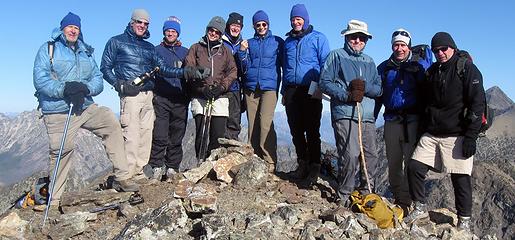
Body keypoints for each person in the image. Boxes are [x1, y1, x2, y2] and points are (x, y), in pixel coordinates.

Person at [33, 12, 139, 207]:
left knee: (110, 123)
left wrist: (85, 88)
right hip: (58, 110)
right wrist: (64, 89)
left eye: (77, 28)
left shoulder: (85, 51)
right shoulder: (49, 49)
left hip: (84, 106)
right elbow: (40, 81)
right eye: (70, 27)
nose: (73, 30)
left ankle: (122, 177)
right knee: (61, 151)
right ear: (63, 28)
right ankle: (54, 201)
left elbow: (98, 79)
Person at [100, 9, 202, 179]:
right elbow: (105, 67)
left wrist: (186, 72)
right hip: (131, 96)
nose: (142, 25)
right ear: (132, 22)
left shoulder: (148, 47)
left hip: (148, 95)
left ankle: (139, 173)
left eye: (145, 23)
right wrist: (119, 84)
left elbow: (163, 69)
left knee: (146, 135)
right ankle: (126, 176)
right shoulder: (116, 42)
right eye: (139, 22)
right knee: (131, 136)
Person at [406, 32, 485, 232]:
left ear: (453, 48)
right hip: (432, 133)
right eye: (436, 50)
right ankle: (420, 206)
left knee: (460, 178)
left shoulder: (467, 69)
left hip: (457, 134)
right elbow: (425, 102)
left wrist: (471, 136)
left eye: (444, 49)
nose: (440, 53)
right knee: (414, 167)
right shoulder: (432, 71)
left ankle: (464, 220)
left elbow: (477, 104)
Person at [319, 19, 382, 206]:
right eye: (354, 37)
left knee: (370, 155)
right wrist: (346, 95)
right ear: (347, 37)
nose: (357, 41)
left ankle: (366, 191)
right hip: (345, 112)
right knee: (350, 153)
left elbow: (379, 89)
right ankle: (345, 193)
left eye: (362, 38)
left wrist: (364, 88)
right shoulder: (335, 56)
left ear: (366, 40)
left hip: (367, 115)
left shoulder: (370, 61)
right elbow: (324, 82)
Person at [375, 29, 433, 211]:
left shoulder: (419, 66)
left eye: (403, 45)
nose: (399, 48)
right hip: (391, 119)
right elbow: (377, 95)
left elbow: (429, 91)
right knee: (393, 162)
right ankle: (399, 197)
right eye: (396, 45)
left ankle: (407, 201)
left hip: (412, 121)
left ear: (409, 46)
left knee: (411, 163)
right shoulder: (384, 68)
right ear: (392, 46)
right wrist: (371, 117)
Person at [282, 4, 330, 185]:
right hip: (292, 89)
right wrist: (283, 91)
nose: (296, 22)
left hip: (312, 89)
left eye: (299, 19)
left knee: (312, 130)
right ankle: (302, 163)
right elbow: (285, 67)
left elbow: (326, 63)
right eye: (293, 19)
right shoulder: (288, 42)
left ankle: (314, 167)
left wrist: (321, 87)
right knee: (295, 129)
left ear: (306, 20)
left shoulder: (318, 38)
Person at [184, 16, 237, 158]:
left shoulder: (225, 51)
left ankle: (211, 164)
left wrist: (221, 87)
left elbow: (233, 72)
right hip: (200, 96)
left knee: (218, 134)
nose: (213, 33)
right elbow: (188, 70)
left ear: (221, 34)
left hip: (219, 96)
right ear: (207, 30)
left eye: (217, 32)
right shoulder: (195, 48)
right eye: (211, 30)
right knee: (201, 134)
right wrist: (201, 89)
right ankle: (200, 162)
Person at [238, 10, 284, 172]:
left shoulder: (278, 42)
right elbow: (243, 67)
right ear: (254, 26)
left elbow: (285, 65)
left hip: (269, 87)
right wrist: (242, 52)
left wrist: (283, 89)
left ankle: (269, 160)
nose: (261, 27)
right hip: (250, 87)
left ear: (268, 24)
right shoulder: (248, 43)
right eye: (258, 25)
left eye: (264, 24)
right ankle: (254, 156)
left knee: (265, 122)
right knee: (252, 123)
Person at [144, 16, 189, 180]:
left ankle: (172, 167)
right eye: (168, 31)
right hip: (161, 97)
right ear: (164, 32)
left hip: (180, 98)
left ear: (178, 33)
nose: (170, 33)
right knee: (160, 134)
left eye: (173, 31)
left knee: (177, 134)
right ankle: (156, 166)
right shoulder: (156, 51)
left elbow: (189, 73)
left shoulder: (185, 52)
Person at [222, 12, 246, 140]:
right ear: (228, 26)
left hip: (235, 87)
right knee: (219, 120)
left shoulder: (243, 45)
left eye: (239, 26)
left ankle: (231, 147)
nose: (236, 28)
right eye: (233, 25)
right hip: (220, 86)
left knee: (234, 119)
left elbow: (244, 69)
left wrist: (242, 53)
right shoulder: (220, 41)